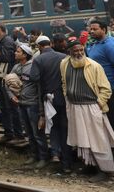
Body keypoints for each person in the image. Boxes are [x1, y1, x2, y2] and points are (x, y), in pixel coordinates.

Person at [61, 38, 114, 183]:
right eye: (76, 51)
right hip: (74, 106)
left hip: (91, 107)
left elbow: (106, 89)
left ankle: (107, 172)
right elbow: (64, 83)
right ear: (69, 52)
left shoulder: (94, 66)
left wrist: (99, 104)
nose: (79, 53)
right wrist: (67, 98)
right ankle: (90, 166)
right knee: (82, 140)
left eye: (81, 50)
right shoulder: (64, 64)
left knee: (98, 141)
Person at [85, 18, 114, 158]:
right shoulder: (95, 44)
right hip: (102, 88)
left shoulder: (109, 45)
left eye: (95, 29)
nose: (91, 31)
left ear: (104, 30)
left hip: (112, 87)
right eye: (90, 29)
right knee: (111, 118)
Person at [29, 35, 72, 173]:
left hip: (49, 100)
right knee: (65, 128)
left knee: (53, 127)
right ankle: (67, 163)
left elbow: (34, 77)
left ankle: (55, 153)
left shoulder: (39, 59)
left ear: (39, 46)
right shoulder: (63, 56)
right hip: (64, 98)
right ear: (50, 44)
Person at [8, 44, 48, 168]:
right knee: (29, 133)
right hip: (22, 104)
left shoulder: (33, 67)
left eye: (18, 51)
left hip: (33, 104)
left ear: (25, 54)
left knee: (37, 133)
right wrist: (11, 96)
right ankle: (33, 155)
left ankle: (43, 157)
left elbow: (39, 87)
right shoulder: (16, 67)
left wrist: (41, 109)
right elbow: (7, 81)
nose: (15, 53)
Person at [0, 23, 24, 140]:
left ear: (0, 29)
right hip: (0, 79)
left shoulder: (8, 41)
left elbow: (5, 58)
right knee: (3, 107)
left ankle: (18, 134)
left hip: (7, 79)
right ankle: (9, 133)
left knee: (12, 107)